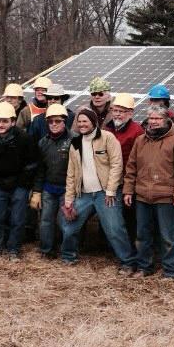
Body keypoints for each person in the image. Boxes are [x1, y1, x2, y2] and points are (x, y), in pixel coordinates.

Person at [60, 108, 136, 272]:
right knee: (69, 225)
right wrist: (69, 198)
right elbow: (71, 173)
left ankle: (128, 262)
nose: (82, 124)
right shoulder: (76, 143)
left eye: (85, 121)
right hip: (84, 194)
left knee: (114, 229)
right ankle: (68, 256)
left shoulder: (108, 138)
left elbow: (117, 165)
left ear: (93, 122)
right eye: (79, 122)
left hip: (105, 194)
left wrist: (111, 190)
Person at [123, 105, 174, 279]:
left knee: (168, 236)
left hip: (166, 198)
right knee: (142, 235)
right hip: (142, 196)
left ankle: (171, 271)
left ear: (166, 120)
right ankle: (144, 267)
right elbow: (131, 168)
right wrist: (128, 190)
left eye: (157, 118)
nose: (153, 122)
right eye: (151, 118)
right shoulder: (140, 141)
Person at [0, 101, 39, 262]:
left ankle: (14, 250)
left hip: (19, 185)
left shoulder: (24, 138)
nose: (1, 124)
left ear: (13, 122)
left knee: (17, 219)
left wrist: (21, 182)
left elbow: (32, 163)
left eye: (5, 121)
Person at [31, 103, 72, 259]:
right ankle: (46, 250)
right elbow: (40, 170)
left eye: (57, 121)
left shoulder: (74, 140)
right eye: (50, 121)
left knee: (64, 221)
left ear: (64, 121)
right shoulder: (43, 143)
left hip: (67, 189)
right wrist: (37, 191)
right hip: (49, 188)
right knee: (46, 220)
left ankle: (65, 250)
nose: (54, 124)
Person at [103, 93, 145, 243]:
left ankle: (131, 247)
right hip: (109, 180)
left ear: (130, 113)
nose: (117, 114)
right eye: (115, 110)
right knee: (110, 214)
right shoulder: (107, 129)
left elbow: (140, 159)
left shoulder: (137, 131)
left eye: (121, 111)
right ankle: (109, 246)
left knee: (129, 216)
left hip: (128, 181)